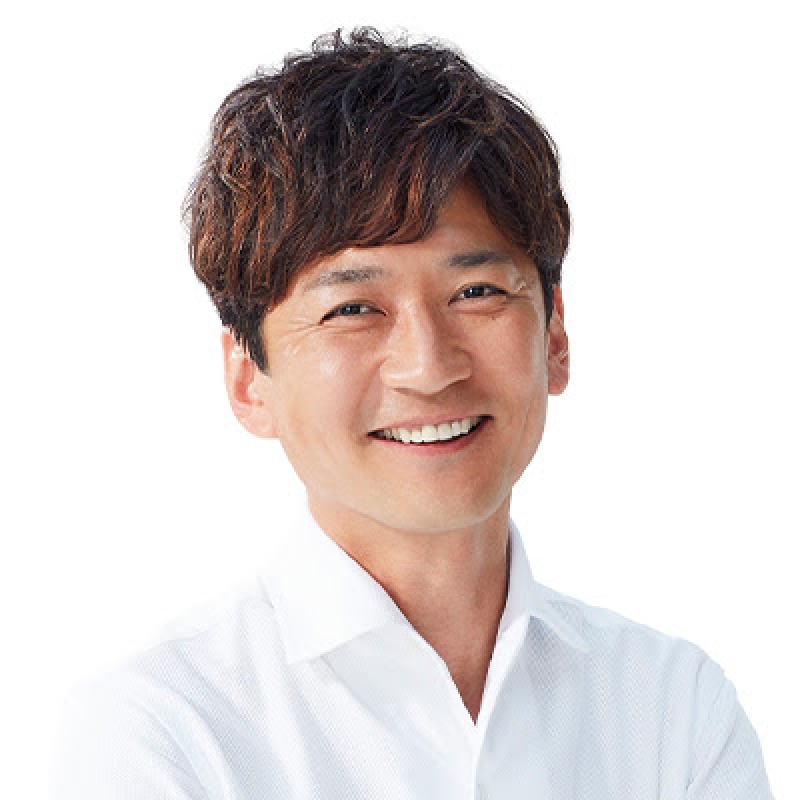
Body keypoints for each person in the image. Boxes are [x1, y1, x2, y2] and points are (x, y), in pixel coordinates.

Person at [51, 28, 773, 798]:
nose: (428, 368)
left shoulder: (672, 708)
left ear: (555, 336)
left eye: (476, 293)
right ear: (248, 379)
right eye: (353, 308)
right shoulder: (166, 732)